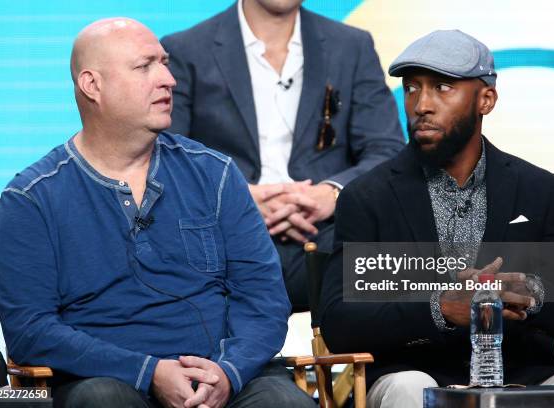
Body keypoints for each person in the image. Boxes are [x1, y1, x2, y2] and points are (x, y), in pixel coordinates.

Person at [0, 18, 315, 408]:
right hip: (108, 381)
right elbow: (31, 330)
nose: (168, 79)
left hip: (226, 379)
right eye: (144, 67)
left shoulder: (215, 174)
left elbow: (264, 301)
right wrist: (148, 372)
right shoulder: (31, 198)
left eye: (164, 63)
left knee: (285, 403)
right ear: (92, 85)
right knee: (102, 400)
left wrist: (228, 372)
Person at [318, 30, 554, 408]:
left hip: (522, 375)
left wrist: (528, 292)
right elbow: (341, 323)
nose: (421, 105)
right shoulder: (368, 197)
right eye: (413, 88)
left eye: (442, 87)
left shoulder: (537, 188)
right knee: (409, 389)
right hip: (412, 374)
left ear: (486, 99)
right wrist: (440, 307)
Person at [161, 0, 405, 310]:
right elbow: (168, 156)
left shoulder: (351, 46)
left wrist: (331, 194)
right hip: (226, 236)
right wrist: (237, 197)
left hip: (329, 234)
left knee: (410, 265)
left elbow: (387, 150)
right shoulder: (185, 49)